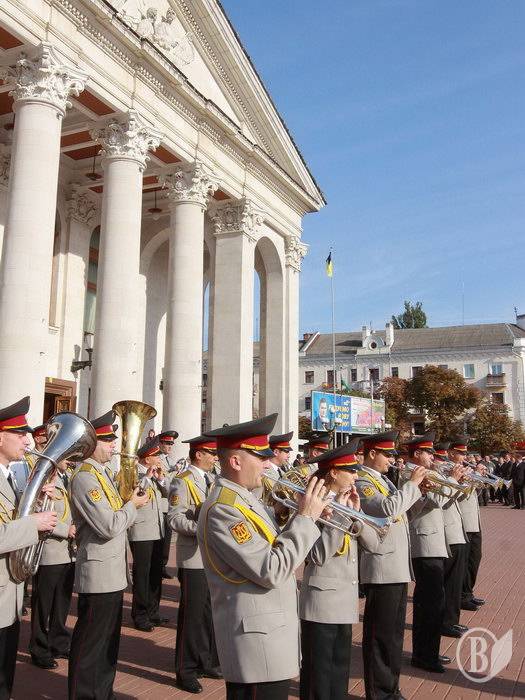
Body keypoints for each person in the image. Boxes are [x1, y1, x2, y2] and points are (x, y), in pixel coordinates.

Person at [196, 413, 327, 700]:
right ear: (235, 461)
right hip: (257, 645)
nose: (268, 464)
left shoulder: (244, 499)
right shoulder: (224, 509)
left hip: (268, 637)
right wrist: (306, 518)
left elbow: (274, 547)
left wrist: (302, 515)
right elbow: (271, 569)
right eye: (261, 457)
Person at [68, 410, 149, 700]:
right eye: (108, 440)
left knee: (108, 644)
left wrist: (132, 497)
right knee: (92, 644)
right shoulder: (85, 477)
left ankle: (102, 693)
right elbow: (108, 525)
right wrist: (132, 506)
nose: (114, 445)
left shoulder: (101, 474)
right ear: (92, 444)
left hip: (111, 572)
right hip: (99, 573)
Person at [299, 439, 379, 700]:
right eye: (351, 470)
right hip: (321, 601)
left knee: (338, 674)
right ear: (333, 473)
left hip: (344, 599)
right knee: (319, 676)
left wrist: (356, 514)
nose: (356, 475)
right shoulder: (312, 503)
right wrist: (343, 515)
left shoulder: (347, 501)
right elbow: (317, 555)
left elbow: (373, 544)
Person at [355, 430, 427, 700]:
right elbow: (386, 509)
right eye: (387, 454)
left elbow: (403, 515)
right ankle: (379, 692)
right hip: (381, 567)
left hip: (395, 565)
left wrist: (419, 494)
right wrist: (412, 484)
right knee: (380, 636)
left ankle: (390, 688)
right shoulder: (363, 481)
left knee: (394, 636)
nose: (391, 459)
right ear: (372, 453)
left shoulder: (383, 480)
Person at [0, 396, 57, 699]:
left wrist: (36, 503)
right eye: (20, 434)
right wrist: (32, 523)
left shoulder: (10, 475)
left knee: (5, 674)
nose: (28, 440)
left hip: (9, 593)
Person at [168, 435, 220, 693]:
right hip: (193, 557)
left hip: (212, 558)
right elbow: (174, 518)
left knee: (209, 613)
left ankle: (206, 660)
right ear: (198, 454)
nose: (215, 458)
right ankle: (185, 669)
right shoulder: (183, 480)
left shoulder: (214, 479)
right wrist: (201, 527)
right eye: (211, 453)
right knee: (192, 615)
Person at [402, 433, 450, 673]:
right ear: (417, 453)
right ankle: (423, 655)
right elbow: (437, 501)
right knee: (429, 603)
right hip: (423, 544)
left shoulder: (428, 472)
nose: (433, 456)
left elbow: (449, 498)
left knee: (435, 601)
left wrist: (449, 479)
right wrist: (450, 479)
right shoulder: (408, 474)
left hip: (434, 542)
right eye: (428, 452)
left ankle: (429, 651)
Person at [30, 459, 76, 669]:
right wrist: (66, 530)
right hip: (49, 551)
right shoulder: (42, 479)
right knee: (43, 603)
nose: (70, 460)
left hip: (68, 552)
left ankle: (58, 641)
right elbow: (35, 513)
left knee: (62, 601)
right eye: (67, 456)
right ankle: (39, 648)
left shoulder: (68, 478)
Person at [128, 437, 168, 632]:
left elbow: (168, 493)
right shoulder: (133, 473)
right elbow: (134, 494)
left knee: (155, 572)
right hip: (141, 531)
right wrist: (146, 477)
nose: (160, 459)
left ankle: (153, 611)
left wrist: (160, 479)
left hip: (157, 529)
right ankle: (140, 614)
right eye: (157, 456)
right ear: (147, 459)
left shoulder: (157, 475)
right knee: (142, 574)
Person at [438, 442, 469, 639]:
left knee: (455, 582)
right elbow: (440, 501)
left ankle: (452, 620)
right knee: (449, 583)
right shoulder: (441, 472)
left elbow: (460, 498)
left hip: (457, 531)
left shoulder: (448, 473)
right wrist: (453, 480)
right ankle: (447, 622)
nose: (464, 457)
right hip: (448, 532)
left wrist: (462, 483)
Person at [453, 437, 485, 613]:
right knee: (464, 562)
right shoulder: (451, 471)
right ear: (452, 453)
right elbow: (457, 495)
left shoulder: (465, 470)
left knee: (475, 558)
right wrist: (467, 480)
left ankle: (468, 592)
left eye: (465, 453)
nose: (465, 457)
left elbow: (474, 495)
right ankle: (461, 596)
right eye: (461, 453)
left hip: (474, 521)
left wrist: (477, 480)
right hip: (463, 522)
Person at [158, 430, 179, 579]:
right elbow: (165, 481)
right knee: (160, 539)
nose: (170, 446)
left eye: (171, 443)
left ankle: (162, 565)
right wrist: (174, 472)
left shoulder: (171, 461)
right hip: (162, 504)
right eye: (167, 443)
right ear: (160, 444)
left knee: (166, 539)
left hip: (169, 504)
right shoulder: (158, 459)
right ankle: (158, 566)